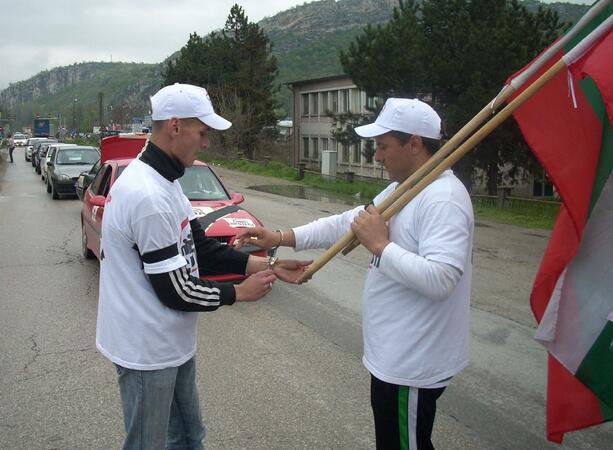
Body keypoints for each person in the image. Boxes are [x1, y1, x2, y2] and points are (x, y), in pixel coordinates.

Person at [236, 98, 474, 450]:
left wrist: (380, 246)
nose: (376, 157)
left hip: (413, 362)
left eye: (382, 147)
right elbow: (350, 223)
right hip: (395, 357)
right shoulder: (406, 186)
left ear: (415, 144)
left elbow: (441, 279)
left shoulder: (442, 198)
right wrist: (282, 238)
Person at [95, 83, 310, 450]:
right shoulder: (148, 195)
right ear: (175, 127)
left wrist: (270, 265)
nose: (207, 143)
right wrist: (238, 293)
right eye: (203, 132)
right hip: (147, 351)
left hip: (171, 343)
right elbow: (175, 289)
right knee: (149, 444)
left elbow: (202, 248)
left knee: (189, 437)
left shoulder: (168, 183)